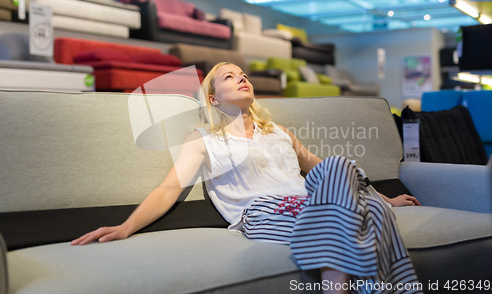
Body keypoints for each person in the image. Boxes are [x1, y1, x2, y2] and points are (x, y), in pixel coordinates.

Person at [72, 62, 422, 294]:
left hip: (312, 204)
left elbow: (327, 170)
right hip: (262, 213)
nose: (242, 78)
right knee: (362, 219)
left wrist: (384, 198)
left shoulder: (279, 132)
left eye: (243, 75)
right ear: (213, 98)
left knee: (345, 174)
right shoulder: (203, 139)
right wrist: (125, 227)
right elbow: (168, 189)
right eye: (229, 77)